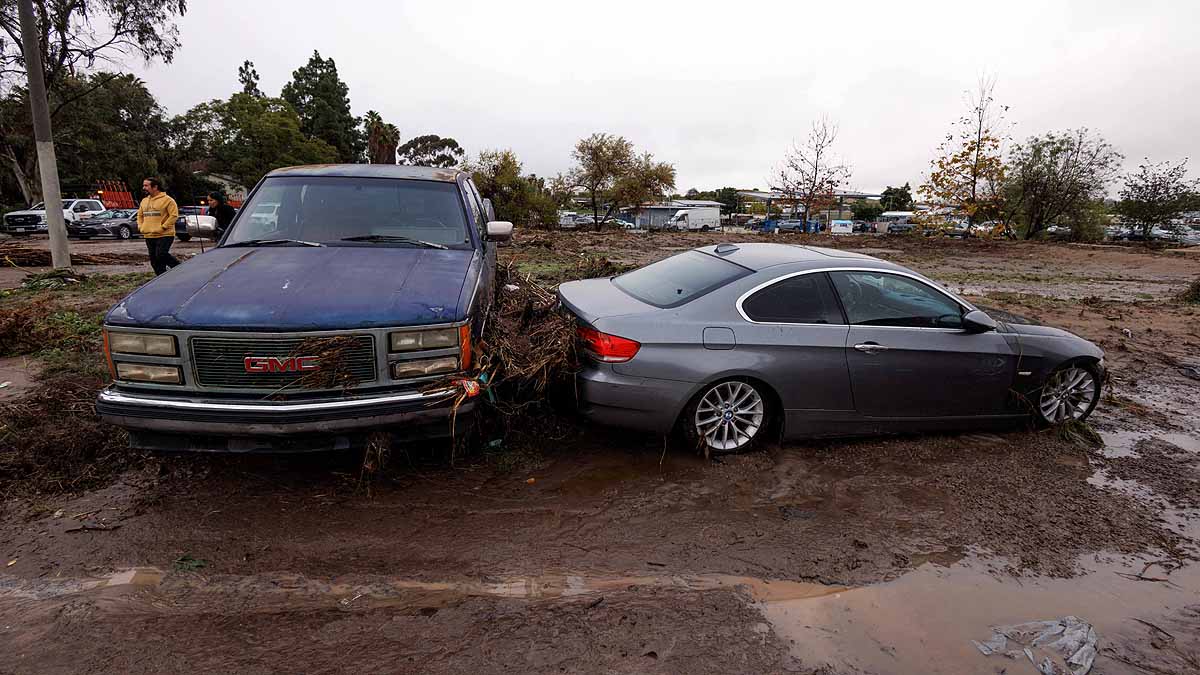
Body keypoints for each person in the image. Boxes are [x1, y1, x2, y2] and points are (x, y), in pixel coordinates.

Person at [137, 177, 180, 275]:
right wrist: (140, 226)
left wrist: (163, 227)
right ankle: (162, 278)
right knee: (154, 261)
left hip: (165, 234)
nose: (144, 188)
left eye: (146, 185)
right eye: (143, 185)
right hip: (148, 234)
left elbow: (174, 216)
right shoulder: (144, 201)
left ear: (155, 187)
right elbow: (140, 215)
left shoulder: (168, 200)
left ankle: (181, 269)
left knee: (161, 255)